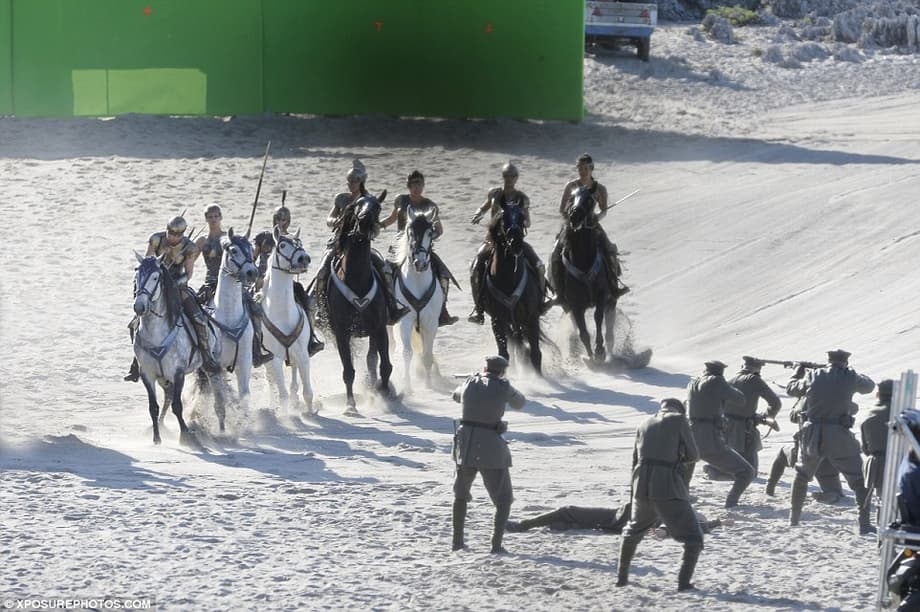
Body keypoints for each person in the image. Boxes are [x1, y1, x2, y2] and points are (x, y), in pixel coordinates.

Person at [616, 398, 703, 592]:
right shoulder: (679, 420)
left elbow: (635, 461)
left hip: (641, 485)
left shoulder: (644, 422)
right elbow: (694, 455)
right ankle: (684, 583)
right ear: (680, 410)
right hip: (667, 486)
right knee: (694, 537)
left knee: (632, 531)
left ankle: (621, 578)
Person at [786, 349, 876, 534]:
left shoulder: (813, 374)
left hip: (812, 435)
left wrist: (797, 370)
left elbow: (791, 388)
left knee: (802, 476)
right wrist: (852, 372)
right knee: (859, 480)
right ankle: (864, 525)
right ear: (845, 362)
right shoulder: (850, 376)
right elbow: (869, 386)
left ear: (828, 360)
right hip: (839, 435)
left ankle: (793, 520)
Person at [311, 159, 409, 326]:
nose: (351, 184)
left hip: (361, 246)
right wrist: (335, 221)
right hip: (338, 245)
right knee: (321, 272)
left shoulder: (370, 201)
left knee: (384, 270)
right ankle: (321, 311)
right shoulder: (341, 199)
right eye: (349, 181)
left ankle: (392, 308)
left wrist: (375, 228)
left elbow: (376, 226)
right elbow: (329, 218)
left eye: (355, 181)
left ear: (362, 182)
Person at [124, 215, 220, 381]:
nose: (173, 237)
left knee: (198, 318)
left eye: (177, 234)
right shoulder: (156, 239)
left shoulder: (189, 247)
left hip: (177, 286)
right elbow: (148, 262)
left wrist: (176, 282)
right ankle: (136, 363)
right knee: (135, 323)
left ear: (182, 234)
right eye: (171, 233)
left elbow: (189, 273)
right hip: (156, 287)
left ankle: (206, 356)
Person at [451, 355, 527, 554]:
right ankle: (495, 544)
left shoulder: (469, 383)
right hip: (490, 447)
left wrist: (473, 379)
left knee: (460, 494)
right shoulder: (503, 386)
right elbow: (520, 402)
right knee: (503, 500)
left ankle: (457, 542)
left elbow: (456, 396)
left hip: (465, 447)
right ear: (502, 371)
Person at [467, 162, 552, 324]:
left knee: (539, 267)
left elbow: (528, 222)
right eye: (506, 176)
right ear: (503, 177)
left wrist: (518, 223)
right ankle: (479, 309)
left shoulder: (522, 198)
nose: (509, 179)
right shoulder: (495, 194)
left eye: (512, 176)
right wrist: (478, 214)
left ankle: (540, 302)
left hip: (515, 240)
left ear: (516, 177)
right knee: (476, 267)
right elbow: (484, 208)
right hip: (492, 240)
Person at [550, 153, 629, 308]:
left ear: (591, 168)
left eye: (586, 168)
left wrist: (596, 218)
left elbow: (603, 210)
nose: (583, 171)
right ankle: (559, 292)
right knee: (555, 253)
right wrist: (571, 221)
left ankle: (614, 285)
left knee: (609, 249)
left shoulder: (600, 189)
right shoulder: (571, 186)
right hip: (571, 227)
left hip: (592, 226)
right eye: (580, 168)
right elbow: (562, 209)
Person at [380, 170, 458, 326]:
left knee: (443, 274)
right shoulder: (400, 200)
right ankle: (390, 308)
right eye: (414, 184)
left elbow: (439, 229)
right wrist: (378, 225)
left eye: (420, 184)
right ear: (409, 186)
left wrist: (427, 239)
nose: (417, 187)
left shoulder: (430, 205)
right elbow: (392, 218)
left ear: (423, 185)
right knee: (385, 272)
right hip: (399, 245)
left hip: (422, 248)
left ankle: (442, 311)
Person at [687, 360, 755, 508]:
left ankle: (683, 495)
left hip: (689, 436)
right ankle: (731, 502)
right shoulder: (716, 381)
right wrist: (723, 383)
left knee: (688, 465)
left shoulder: (692, 383)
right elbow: (740, 399)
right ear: (720, 372)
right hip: (709, 438)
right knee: (747, 472)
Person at [704, 356, 781, 480]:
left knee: (731, 458)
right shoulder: (754, 380)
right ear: (757, 370)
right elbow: (775, 402)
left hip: (726, 426)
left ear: (742, 366)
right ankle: (716, 471)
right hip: (744, 429)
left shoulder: (730, 380)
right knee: (750, 471)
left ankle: (715, 469)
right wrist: (767, 416)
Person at [265, 202, 324, 357]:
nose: (280, 222)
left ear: (289, 221)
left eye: (284, 220)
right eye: (278, 219)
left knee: (307, 303)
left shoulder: (293, 240)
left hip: (288, 282)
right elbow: (253, 258)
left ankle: (311, 339)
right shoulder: (264, 238)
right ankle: (256, 344)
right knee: (252, 308)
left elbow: (300, 264)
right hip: (265, 282)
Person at [506, 502, 726, 535]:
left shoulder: (683, 516)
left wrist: (716, 523)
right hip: (618, 514)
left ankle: (522, 526)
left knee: (568, 511)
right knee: (568, 513)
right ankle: (525, 525)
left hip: (621, 520)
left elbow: (694, 528)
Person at [862, 378, 894, 507]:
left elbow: (865, 448)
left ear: (877, 395)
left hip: (877, 467)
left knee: (882, 504)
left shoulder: (868, 415)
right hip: (901, 465)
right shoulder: (904, 413)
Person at [195, 205, 226, 306]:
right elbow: (189, 260)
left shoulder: (227, 239)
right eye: (210, 217)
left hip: (227, 280)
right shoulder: (202, 241)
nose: (213, 219)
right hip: (209, 282)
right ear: (206, 219)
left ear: (220, 217)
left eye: (216, 216)